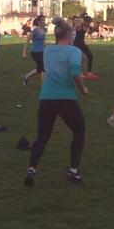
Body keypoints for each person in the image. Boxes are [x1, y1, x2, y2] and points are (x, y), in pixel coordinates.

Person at [25, 17, 88, 187]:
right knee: (79, 131)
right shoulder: (73, 51)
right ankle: (73, 171)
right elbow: (75, 73)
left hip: (46, 98)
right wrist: (83, 89)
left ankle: (31, 169)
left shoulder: (48, 51)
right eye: (72, 34)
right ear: (68, 35)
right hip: (66, 98)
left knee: (42, 136)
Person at [22, 14, 47, 85]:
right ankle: (44, 86)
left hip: (42, 51)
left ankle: (26, 77)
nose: (44, 21)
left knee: (39, 69)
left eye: (44, 20)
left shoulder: (44, 30)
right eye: (42, 20)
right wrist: (24, 53)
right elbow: (26, 41)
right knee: (43, 68)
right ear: (38, 22)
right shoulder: (34, 31)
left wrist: (46, 49)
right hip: (35, 52)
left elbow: (43, 41)